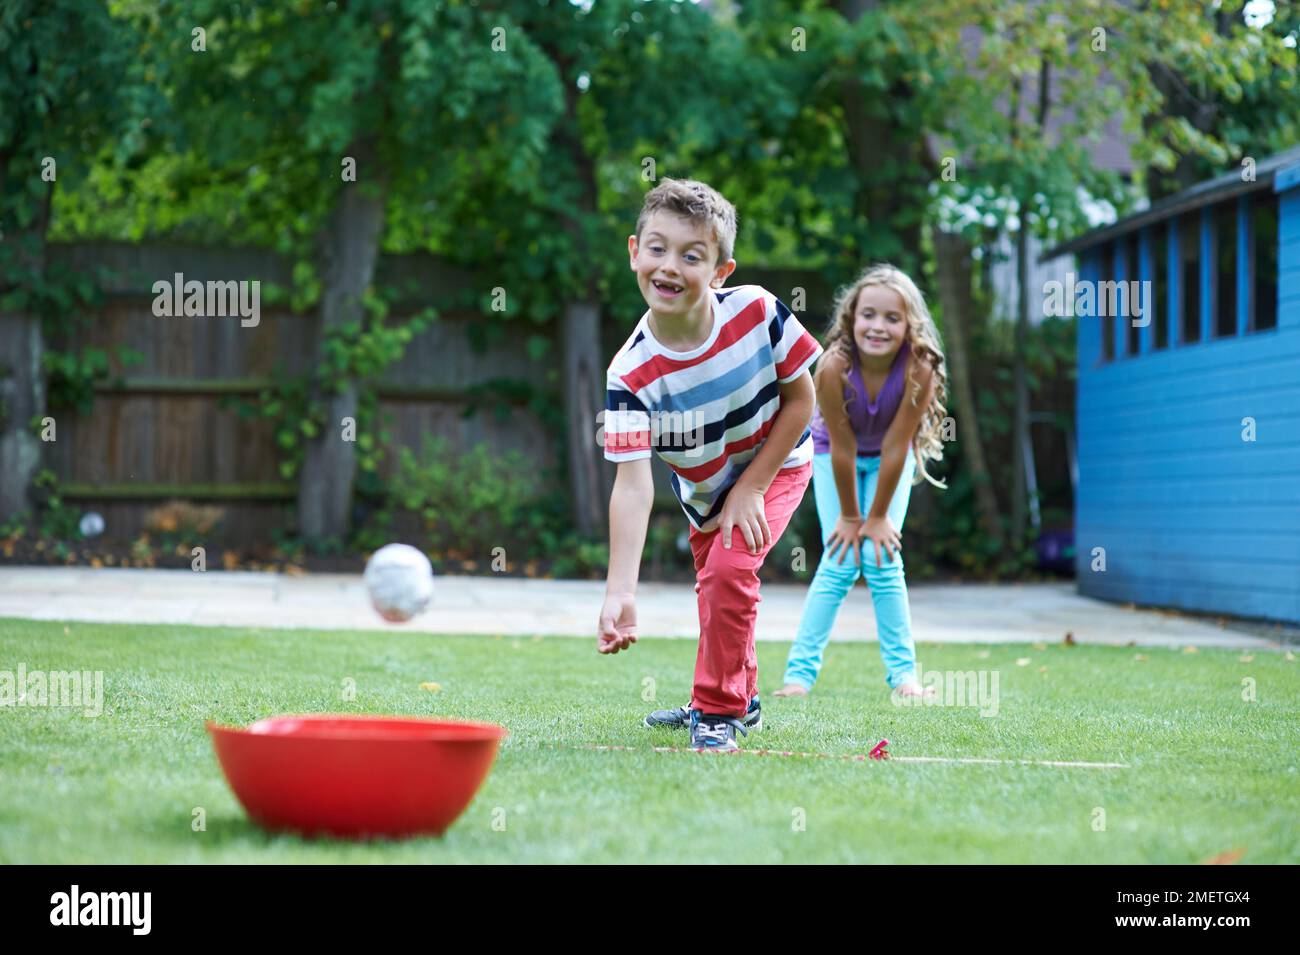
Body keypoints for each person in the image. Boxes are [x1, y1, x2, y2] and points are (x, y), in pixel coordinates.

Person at [597, 178, 822, 751]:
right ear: (633, 252)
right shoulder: (628, 376)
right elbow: (632, 487)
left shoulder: (757, 311)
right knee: (716, 587)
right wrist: (620, 589)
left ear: (721, 270)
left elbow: (803, 402)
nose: (669, 266)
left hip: (777, 464)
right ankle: (735, 700)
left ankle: (717, 713)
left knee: (728, 572)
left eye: (691, 255)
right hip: (704, 496)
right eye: (657, 248)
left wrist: (752, 487)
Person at [773, 264, 949, 700]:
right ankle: (798, 677)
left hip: (892, 460)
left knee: (882, 558)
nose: (878, 326)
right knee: (840, 559)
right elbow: (843, 448)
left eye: (893, 318)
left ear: (910, 325)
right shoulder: (833, 366)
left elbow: (896, 447)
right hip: (836, 457)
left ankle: (904, 678)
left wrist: (877, 520)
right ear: (851, 318)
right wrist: (851, 518)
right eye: (868, 314)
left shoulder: (920, 369)